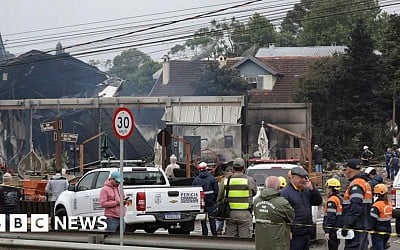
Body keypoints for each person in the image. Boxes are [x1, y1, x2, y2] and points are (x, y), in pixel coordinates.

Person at [280, 166, 323, 250]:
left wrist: (312, 189)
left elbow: (318, 201)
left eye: (304, 178)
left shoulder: (306, 190)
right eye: (300, 178)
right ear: (292, 178)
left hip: (306, 231)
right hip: (295, 234)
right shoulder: (285, 193)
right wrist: (288, 231)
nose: (303, 180)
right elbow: (283, 215)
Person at [217, 157, 257, 238]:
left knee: (231, 241)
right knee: (245, 241)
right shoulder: (249, 180)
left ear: (233, 168)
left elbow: (219, 197)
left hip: (230, 214)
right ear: (244, 168)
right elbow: (254, 192)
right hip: (245, 214)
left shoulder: (225, 180)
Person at [254, 176, 295, 250]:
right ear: (279, 187)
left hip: (261, 242)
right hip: (278, 242)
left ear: (265, 186)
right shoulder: (282, 203)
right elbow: (291, 217)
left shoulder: (256, 201)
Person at [341, 159, 372, 250]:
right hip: (362, 224)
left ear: (350, 169)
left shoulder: (356, 184)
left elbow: (356, 207)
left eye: (345, 169)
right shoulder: (365, 183)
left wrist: (347, 224)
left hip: (356, 225)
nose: (345, 172)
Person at [192, 161, 219, 236]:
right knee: (212, 218)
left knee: (203, 219)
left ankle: (205, 234)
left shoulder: (196, 180)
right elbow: (216, 190)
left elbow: (194, 191)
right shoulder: (212, 178)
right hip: (210, 202)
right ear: (206, 169)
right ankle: (214, 234)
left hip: (201, 203)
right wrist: (215, 200)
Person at [370, 184, 392, 250]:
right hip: (388, 230)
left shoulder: (376, 205)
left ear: (376, 194)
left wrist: (370, 229)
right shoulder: (389, 204)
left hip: (378, 231)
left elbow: (372, 220)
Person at [323, 178, 343, 250]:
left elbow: (331, 216)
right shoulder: (339, 199)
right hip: (337, 227)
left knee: (332, 247)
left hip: (332, 230)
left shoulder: (332, 200)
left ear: (331, 188)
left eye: (327, 188)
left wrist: (327, 231)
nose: (326, 190)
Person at [216, 166, 233, 235]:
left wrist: (218, 200)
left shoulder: (223, 181)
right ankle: (226, 230)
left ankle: (219, 229)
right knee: (229, 217)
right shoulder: (235, 180)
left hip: (224, 201)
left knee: (222, 215)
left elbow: (220, 191)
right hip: (232, 202)